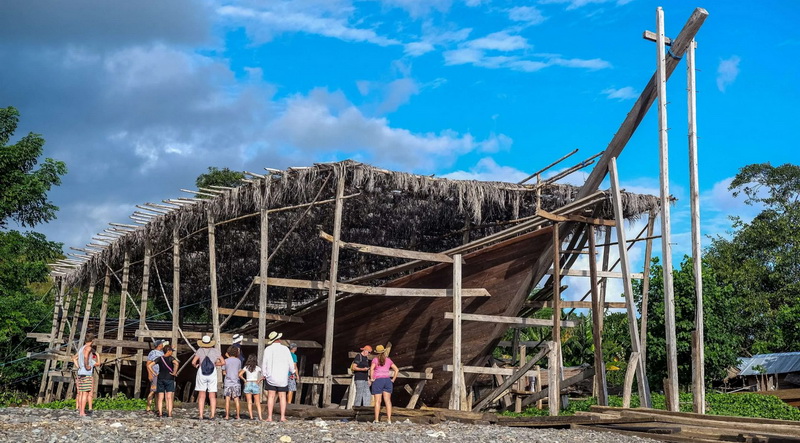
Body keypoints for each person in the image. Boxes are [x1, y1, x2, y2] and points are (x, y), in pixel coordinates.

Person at [261, 331, 295, 422]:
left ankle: (269, 417)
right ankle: (282, 417)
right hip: (283, 376)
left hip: (271, 376)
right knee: (282, 396)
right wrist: (293, 372)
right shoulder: (285, 349)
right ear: (279, 339)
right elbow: (290, 362)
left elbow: (264, 363)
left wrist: (263, 374)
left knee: (271, 396)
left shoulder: (268, 349)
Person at [191, 335, 225, 420]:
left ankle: (201, 415)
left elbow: (193, 362)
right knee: (212, 395)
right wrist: (216, 364)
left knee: (201, 394)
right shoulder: (215, 351)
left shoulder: (200, 350)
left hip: (201, 372)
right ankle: (212, 414)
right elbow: (223, 362)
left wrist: (197, 365)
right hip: (212, 372)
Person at [369, 345, 398, 423]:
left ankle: (377, 419)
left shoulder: (375, 360)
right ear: (384, 351)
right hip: (387, 380)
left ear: (376, 352)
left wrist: (372, 379)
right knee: (388, 401)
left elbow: (371, 369)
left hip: (378, 380)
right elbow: (396, 370)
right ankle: (389, 419)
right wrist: (393, 380)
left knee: (378, 401)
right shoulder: (388, 360)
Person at [148, 345, 178, 418]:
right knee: (169, 397)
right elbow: (176, 363)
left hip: (160, 378)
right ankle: (170, 414)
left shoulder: (159, 358)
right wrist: (174, 372)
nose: (172, 352)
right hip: (169, 378)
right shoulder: (171, 358)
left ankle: (160, 413)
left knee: (160, 397)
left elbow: (149, 366)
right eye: (171, 351)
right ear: (168, 351)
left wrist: (154, 373)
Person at [75, 333, 97, 417]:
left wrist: (79, 366)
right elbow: (86, 356)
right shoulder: (88, 348)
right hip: (86, 373)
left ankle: (80, 410)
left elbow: (75, 357)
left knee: (81, 393)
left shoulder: (81, 348)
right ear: (92, 340)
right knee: (85, 393)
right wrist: (86, 365)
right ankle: (82, 412)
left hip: (81, 373)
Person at [239, 354, 264, 420]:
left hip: (248, 383)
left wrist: (244, 380)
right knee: (257, 402)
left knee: (249, 402)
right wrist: (259, 380)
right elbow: (264, 375)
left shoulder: (246, 367)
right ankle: (260, 417)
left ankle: (251, 416)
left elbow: (240, 374)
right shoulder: (257, 368)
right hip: (255, 383)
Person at [145, 340, 167, 413]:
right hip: (155, 373)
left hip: (160, 374)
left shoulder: (162, 352)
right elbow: (148, 364)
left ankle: (157, 408)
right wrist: (150, 374)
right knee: (153, 391)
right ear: (159, 345)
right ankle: (148, 407)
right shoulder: (153, 353)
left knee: (159, 391)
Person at [223, 345, 242, 420]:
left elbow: (224, 372)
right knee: (236, 399)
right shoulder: (238, 361)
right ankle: (238, 415)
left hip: (228, 382)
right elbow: (239, 371)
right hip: (236, 382)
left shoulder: (226, 361)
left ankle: (227, 415)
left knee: (227, 400)